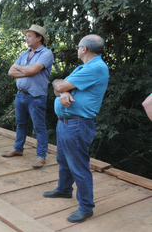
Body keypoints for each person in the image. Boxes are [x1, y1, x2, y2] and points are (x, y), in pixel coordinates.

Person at [44, 34, 109, 223]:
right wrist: (62, 89)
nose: (77, 48)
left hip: (77, 124)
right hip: (66, 122)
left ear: (84, 49)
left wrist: (61, 86)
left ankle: (86, 207)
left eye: (78, 46)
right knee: (63, 158)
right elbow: (58, 86)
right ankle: (64, 189)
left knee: (79, 166)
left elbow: (60, 84)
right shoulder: (85, 67)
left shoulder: (95, 67)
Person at [1, 24, 54, 168]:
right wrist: (25, 69)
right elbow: (11, 72)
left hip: (36, 97)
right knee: (21, 124)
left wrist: (22, 68)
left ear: (39, 38)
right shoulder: (24, 54)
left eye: (30, 35)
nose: (27, 38)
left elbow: (34, 70)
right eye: (26, 36)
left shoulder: (46, 53)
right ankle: (18, 149)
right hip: (20, 96)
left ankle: (41, 156)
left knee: (39, 127)